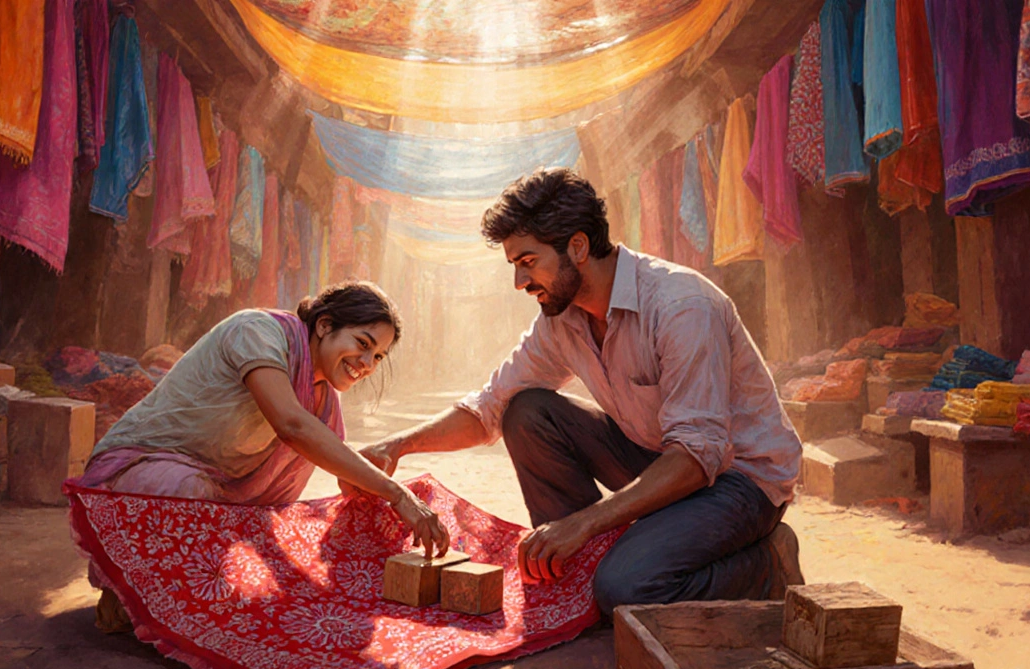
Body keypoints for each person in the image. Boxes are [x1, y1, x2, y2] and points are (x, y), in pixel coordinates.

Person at [360, 169, 805, 613]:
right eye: (515, 265)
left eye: (528, 262)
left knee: (626, 590)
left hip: (737, 481)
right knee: (526, 411)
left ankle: (766, 565)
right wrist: (397, 445)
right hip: (656, 455)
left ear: (577, 246)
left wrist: (582, 523)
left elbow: (696, 456)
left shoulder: (682, 306)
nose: (519, 282)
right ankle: (586, 564)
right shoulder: (561, 319)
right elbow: (489, 408)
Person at [80, 281, 450, 631]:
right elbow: (292, 426)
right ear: (324, 325)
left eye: (378, 356)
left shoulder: (322, 400)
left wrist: (393, 511)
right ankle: (127, 589)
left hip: (218, 495)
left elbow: (342, 468)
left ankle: (179, 594)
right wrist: (398, 495)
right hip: (138, 471)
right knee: (188, 487)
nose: (367, 363)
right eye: (363, 343)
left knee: (350, 490)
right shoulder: (257, 331)